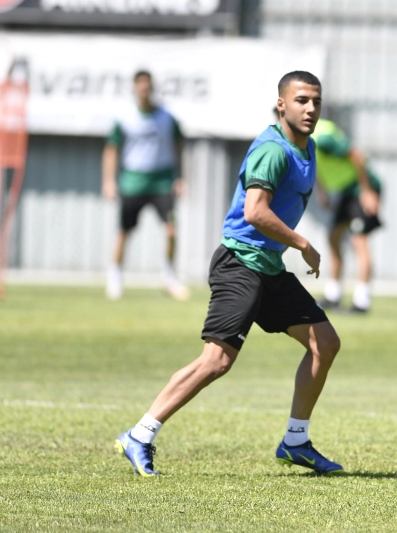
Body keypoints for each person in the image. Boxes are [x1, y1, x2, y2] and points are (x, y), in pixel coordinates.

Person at [116, 71, 344, 477]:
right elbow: (254, 212)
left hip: (268, 266)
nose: (310, 109)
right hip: (240, 263)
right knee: (217, 360)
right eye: (302, 100)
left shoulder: (307, 147)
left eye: (316, 102)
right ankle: (140, 434)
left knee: (324, 343)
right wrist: (303, 244)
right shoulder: (272, 150)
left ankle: (295, 441)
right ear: (282, 105)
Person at [102, 70, 187, 301]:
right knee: (124, 231)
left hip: (162, 181)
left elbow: (178, 146)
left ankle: (169, 277)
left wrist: (180, 177)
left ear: (152, 88)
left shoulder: (167, 118)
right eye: (140, 86)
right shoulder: (125, 117)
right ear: (134, 88)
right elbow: (111, 149)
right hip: (133, 181)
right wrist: (108, 181)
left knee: (171, 228)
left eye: (147, 86)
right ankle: (115, 277)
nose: (144, 90)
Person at [311, 115, 381, 313]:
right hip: (346, 190)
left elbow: (356, 155)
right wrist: (322, 192)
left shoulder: (322, 137)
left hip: (360, 187)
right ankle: (333, 295)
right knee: (333, 237)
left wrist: (367, 191)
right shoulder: (303, 139)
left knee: (359, 240)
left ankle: (362, 300)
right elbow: (317, 165)